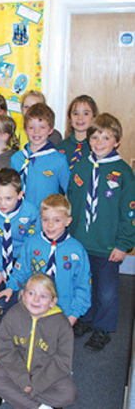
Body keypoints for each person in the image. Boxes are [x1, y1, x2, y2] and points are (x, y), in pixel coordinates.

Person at [68, 113, 135, 351]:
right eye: (95, 137)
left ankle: (103, 328)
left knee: (106, 290)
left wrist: (123, 243)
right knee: (84, 284)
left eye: (106, 137)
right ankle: (85, 318)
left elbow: (129, 211)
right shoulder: (82, 166)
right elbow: (73, 202)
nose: (99, 142)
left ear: (117, 141)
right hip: (81, 241)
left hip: (108, 246)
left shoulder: (123, 172)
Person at [0, 194, 91, 325]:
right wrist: (10, 287)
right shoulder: (32, 243)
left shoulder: (77, 250)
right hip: (32, 305)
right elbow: (21, 270)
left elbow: (83, 286)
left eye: (57, 220)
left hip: (62, 311)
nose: (50, 225)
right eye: (45, 219)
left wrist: (74, 315)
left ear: (68, 221)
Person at [0, 274, 78, 409]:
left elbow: (63, 361)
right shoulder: (13, 314)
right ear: (23, 295)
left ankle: (11, 395)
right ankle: (40, 406)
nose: (36, 300)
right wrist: (22, 379)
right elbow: (4, 349)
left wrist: (36, 384)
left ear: (53, 301)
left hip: (46, 374)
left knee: (69, 394)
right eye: (31, 293)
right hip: (16, 370)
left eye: (44, 296)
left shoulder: (62, 324)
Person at [0, 168, 41, 296]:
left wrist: (17, 274)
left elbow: (31, 245)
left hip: (23, 259)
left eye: (8, 198)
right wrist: (0, 269)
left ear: (20, 195)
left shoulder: (31, 212)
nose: (2, 203)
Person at [10, 103, 70, 208]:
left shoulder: (59, 160)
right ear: (25, 129)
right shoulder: (16, 159)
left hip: (47, 219)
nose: (36, 132)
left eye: (42, 127)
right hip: (20, 218)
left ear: (51, 130)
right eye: (31, 127)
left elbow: (69, 191)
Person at [56, 94, 98, 169]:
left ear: (94, 117)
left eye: (86, 114)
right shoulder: (60, 148)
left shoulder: (98, 149)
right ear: (69, 118)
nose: (80, 118)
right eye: (75, 113)